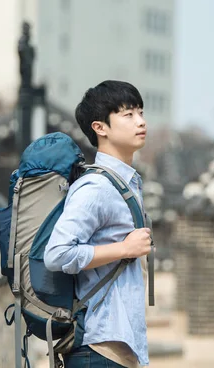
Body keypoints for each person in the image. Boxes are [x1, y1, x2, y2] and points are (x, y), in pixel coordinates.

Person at [44, 80, 152, 368]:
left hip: (115, 350)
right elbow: (58, 253)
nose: (141, 122)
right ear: (100, 127)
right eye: (128, 115)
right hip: (98, 350)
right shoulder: (97, 187)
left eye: (140, 112)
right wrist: (124, 248)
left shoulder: (124, 183)